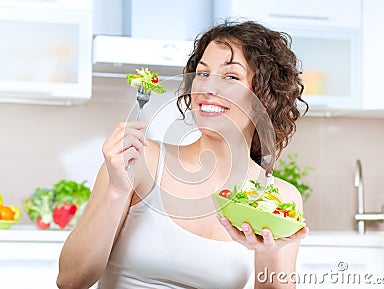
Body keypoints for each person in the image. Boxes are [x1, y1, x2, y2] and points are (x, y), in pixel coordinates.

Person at [57, 20, 309, 289]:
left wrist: (267, 251)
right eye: (202, 73)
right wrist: (117, 192)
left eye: (231, 77)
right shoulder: (139, 161)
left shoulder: (278, 199)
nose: (207, 88)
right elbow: (71, 281)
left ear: (265, 96)